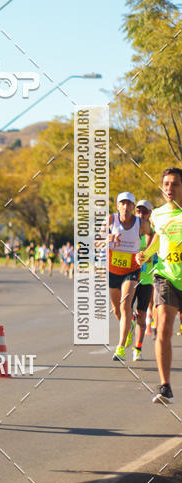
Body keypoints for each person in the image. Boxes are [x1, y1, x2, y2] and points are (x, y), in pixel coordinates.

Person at [136, 168, 182, 404]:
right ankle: (165, 387)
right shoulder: (159, 215)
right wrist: (145, 254)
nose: (169, 189)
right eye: (166, 184)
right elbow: (157, 240)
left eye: (174, 184)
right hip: (166, 277)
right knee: (162, 328)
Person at [108, 191, 152, 362]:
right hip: (114, 270)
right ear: (118, 205)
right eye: (122, 203)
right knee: (117, 310)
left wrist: (147, 252)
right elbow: (96, 239)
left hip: (133, 271)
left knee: (125, 304)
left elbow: (153, 234)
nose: (126, 207)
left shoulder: (140, 223)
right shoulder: (111, 220)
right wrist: (108, 238)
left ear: (133, 207)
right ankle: (130, 326)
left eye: (129, 204)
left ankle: (121, 349)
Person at [131, 200, 156, 362]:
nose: (141, 215)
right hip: (130, 277)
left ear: (150, 214)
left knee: (142, 314)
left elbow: (159, 257)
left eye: (144, 212)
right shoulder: (129, 231)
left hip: (146, 280)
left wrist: (147, 257)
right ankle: (130, 320)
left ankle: (137, 349)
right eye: (138, 211)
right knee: (123, 310)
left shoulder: (155, 233)